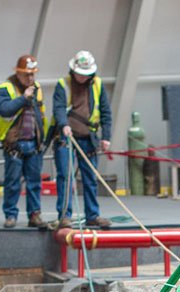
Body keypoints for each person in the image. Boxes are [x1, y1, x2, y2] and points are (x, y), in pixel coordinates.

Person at [52, 50, 113, 230]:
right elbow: (59, 108)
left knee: (90, 178)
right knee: (65, 177)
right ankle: (65, 216)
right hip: (67, 139)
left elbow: (105, 112)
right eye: (79, 74)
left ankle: (92, 215)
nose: (82, 77)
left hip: (89, 138)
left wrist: (106, 137)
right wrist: (64, 124)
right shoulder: (63, 85)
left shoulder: (98, 85)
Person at [0, 54, 48, 230]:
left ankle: (34, 214)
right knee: (12, 182)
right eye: (26, 75)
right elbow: (4, 110)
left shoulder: (37, 88)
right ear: (18, 73)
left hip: (33, 143)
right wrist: (23, 98)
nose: (30, 78)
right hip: (14, 145)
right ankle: (10, 214)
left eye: (32, 75)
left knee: (34, 182)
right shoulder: (5, 89)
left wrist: (43, 138)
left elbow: (41, 114)